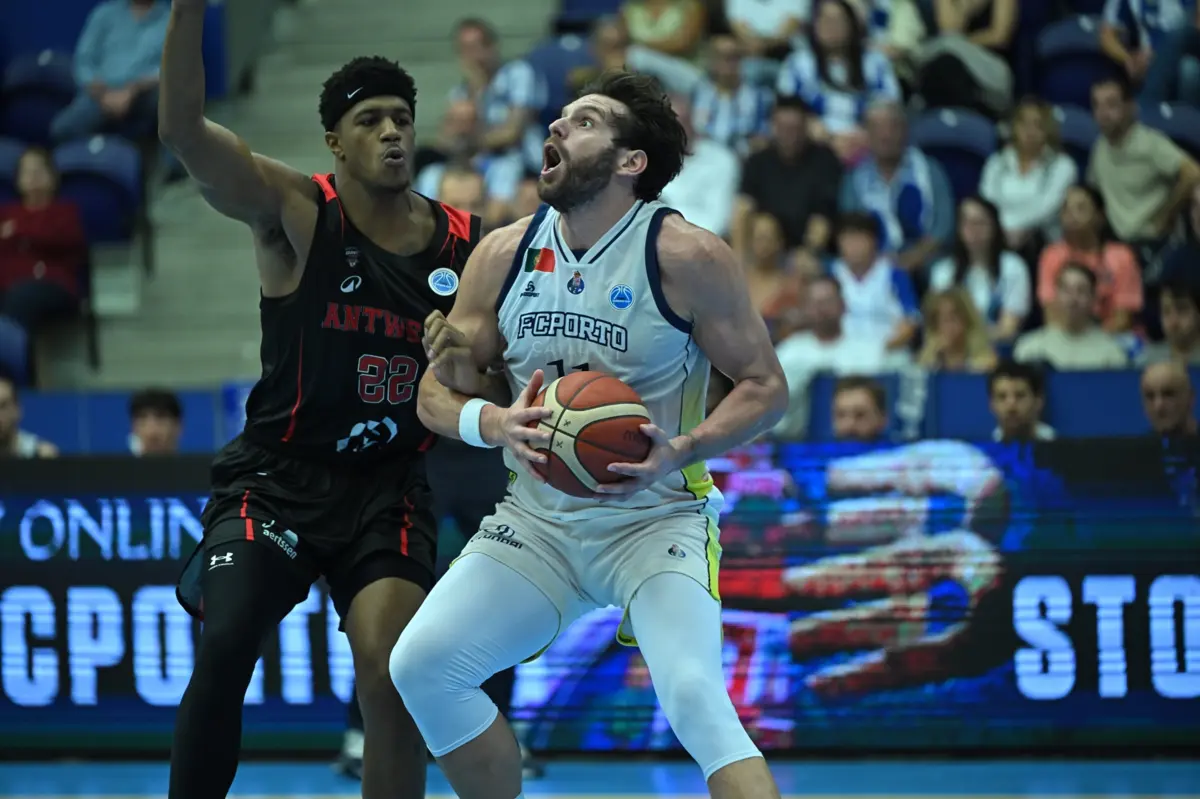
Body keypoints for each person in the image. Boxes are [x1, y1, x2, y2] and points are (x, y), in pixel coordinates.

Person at [389, 70, 789, 799]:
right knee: (420, 664)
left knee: (696, 697)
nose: (556, 126)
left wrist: (681, 449)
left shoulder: (687, 255)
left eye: (584, 122)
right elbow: (434, 393)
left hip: (654, 518)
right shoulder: (503, 253)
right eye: (561, 117)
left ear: (630, 160)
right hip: (538, 522)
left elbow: (767, 388)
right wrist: (494, 419)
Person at [157, 2, 481, 799]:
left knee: (392, 672)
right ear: (336, 141)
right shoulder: (298, 212)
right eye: (370, 120)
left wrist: (466, 358)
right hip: (277, 478)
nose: (392, 132)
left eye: (401, 118)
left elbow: (493, 382)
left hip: (387, 487)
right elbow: (183, 131)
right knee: (227, 639)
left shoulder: (468, 246)